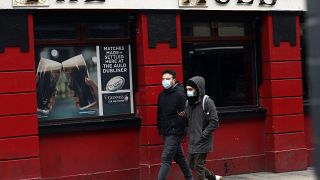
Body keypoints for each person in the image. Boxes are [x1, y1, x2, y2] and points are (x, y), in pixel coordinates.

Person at [157, 70, 193, 180]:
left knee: (166, 157)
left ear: (174, 80)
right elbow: (159, 113)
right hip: (166, 131)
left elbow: (186, 114)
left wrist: (181, 129)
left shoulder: (180, 94)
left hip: (175, 131)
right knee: (179, 156)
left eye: (168, 79)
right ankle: (189, 177)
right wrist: (160, 129)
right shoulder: (162, 95)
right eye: (163, 79)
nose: (165, 81)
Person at [184, 76, 222, 180]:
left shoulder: (208, 102)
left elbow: (214, 122)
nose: (188, 92)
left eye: (190, 89)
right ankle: (213, 177)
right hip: (193, 139)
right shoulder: (188, 103)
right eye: (187, 89)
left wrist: (203, 134)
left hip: (203, 139)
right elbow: (187, 119)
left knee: (198, 165)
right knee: (192, 165)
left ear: (198, 89)